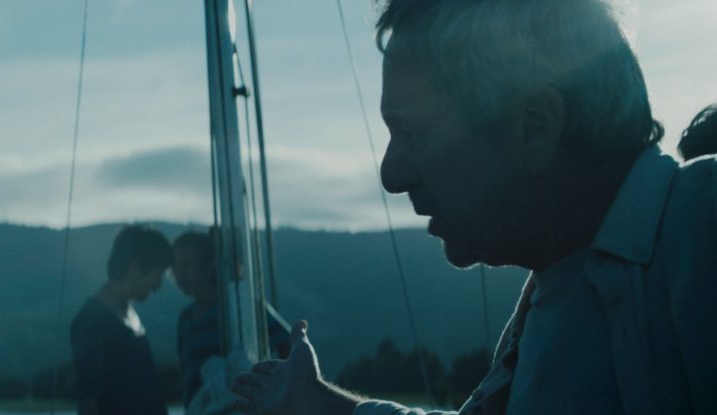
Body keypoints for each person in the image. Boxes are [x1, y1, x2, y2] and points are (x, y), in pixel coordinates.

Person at [232, 1, 717, 414]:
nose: (391, 175)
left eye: (414, 132)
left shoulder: (704, 228)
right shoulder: (566, 278)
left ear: (535, 126)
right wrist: (318, 402)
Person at [172, 229, 290, 410]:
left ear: (210, 265)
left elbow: (288, 344)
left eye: (187, 265)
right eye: (175, 267)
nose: (179, 274)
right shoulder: (185, 319)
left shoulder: (241, 307)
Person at [71, 225, 173, 415]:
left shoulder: (130, 313)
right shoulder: (91, 321)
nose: (158, 286)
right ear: (134, 269)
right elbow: (88, 401)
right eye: (156, 276)